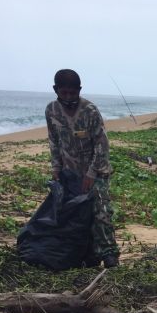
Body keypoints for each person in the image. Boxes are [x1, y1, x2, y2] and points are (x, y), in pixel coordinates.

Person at [45, 69, 119, 268]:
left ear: (79, 90)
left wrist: (91, 173)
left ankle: (110, 254)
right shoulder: (51, 110)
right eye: (64, 92)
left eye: (72, 92)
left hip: (97, 171)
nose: (68, 97)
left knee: (101, 212)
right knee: (78, 214)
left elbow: (102, 144)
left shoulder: (90, 111)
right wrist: (56, 168)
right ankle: (89, 255)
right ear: (56, 90)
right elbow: (54, 142)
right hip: (70, 173)